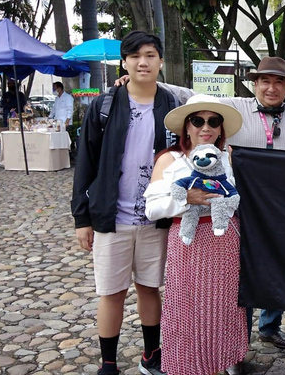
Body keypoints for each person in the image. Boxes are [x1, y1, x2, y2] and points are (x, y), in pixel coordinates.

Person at [118, 56, 285, 349]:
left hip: (281, 207)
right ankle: (238, 343)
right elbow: (191, 98)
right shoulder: (234, 108)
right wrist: (143, 82)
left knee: (278, 266)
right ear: (255, 84)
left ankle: (270, 325)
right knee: (240, 276)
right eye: (265, 81)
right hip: (242, 208)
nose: (271, 88)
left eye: (279, 82)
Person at [72, 30, 178, 375]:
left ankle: (152, 355)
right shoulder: (105, 105)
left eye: (149, 55)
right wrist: (82, 218)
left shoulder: (174, 107)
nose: (142, 62)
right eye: (134, 56)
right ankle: (109, 363)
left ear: (160, 61)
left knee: (150, 288)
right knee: (111, 292)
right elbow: (84, 163)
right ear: (124, 62)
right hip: (110, 216)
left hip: (155, 217)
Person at [143, 94, 247, 375]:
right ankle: (188, 367)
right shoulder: (170, 160)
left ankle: (217, 365)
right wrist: (187, 199)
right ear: (186, 127)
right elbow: (151, 208)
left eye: (213, 121)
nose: (206, 127)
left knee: (221, 310)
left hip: (224, 243)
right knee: (187, 310)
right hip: (188, 243)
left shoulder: (228, 156)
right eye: (198, 120)